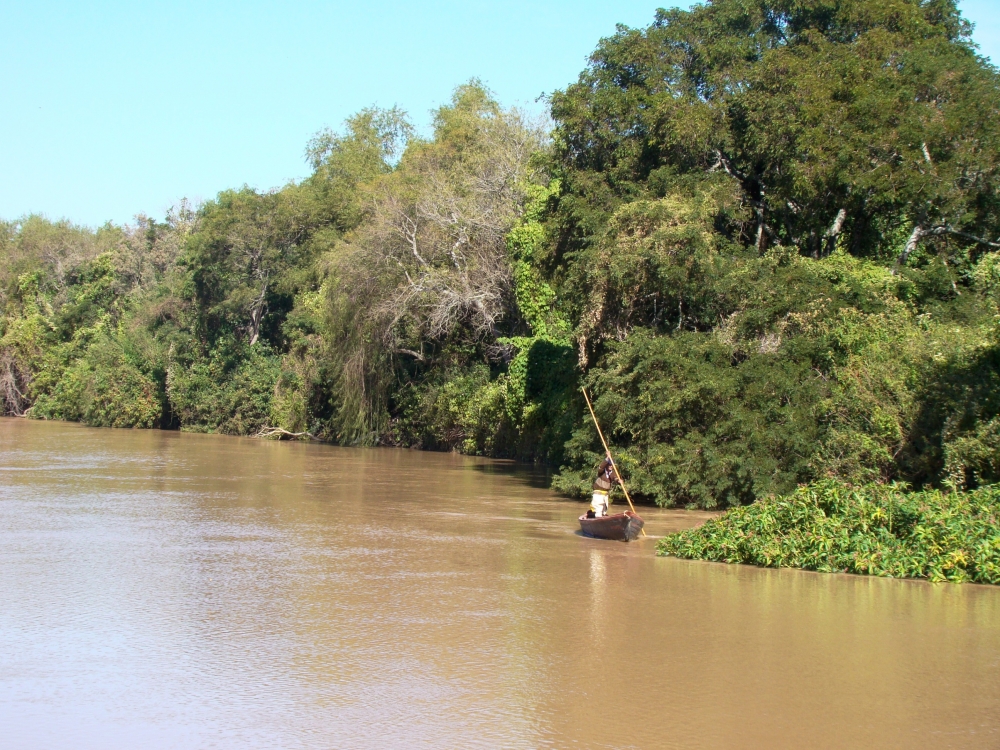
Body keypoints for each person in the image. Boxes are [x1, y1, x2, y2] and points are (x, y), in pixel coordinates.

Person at [588, 452, 617, 518]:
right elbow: (601, 467)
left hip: (605, 495)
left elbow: (616, 478)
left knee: (604, 511)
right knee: (598, 510)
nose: (611, 466)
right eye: (609, 464)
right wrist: (607, 458)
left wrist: (619, 481)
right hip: (598, 495)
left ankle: (601, 517)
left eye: (612, 465)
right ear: (607, 465)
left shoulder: (613, 473)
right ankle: (597, 519)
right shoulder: (601, 472)